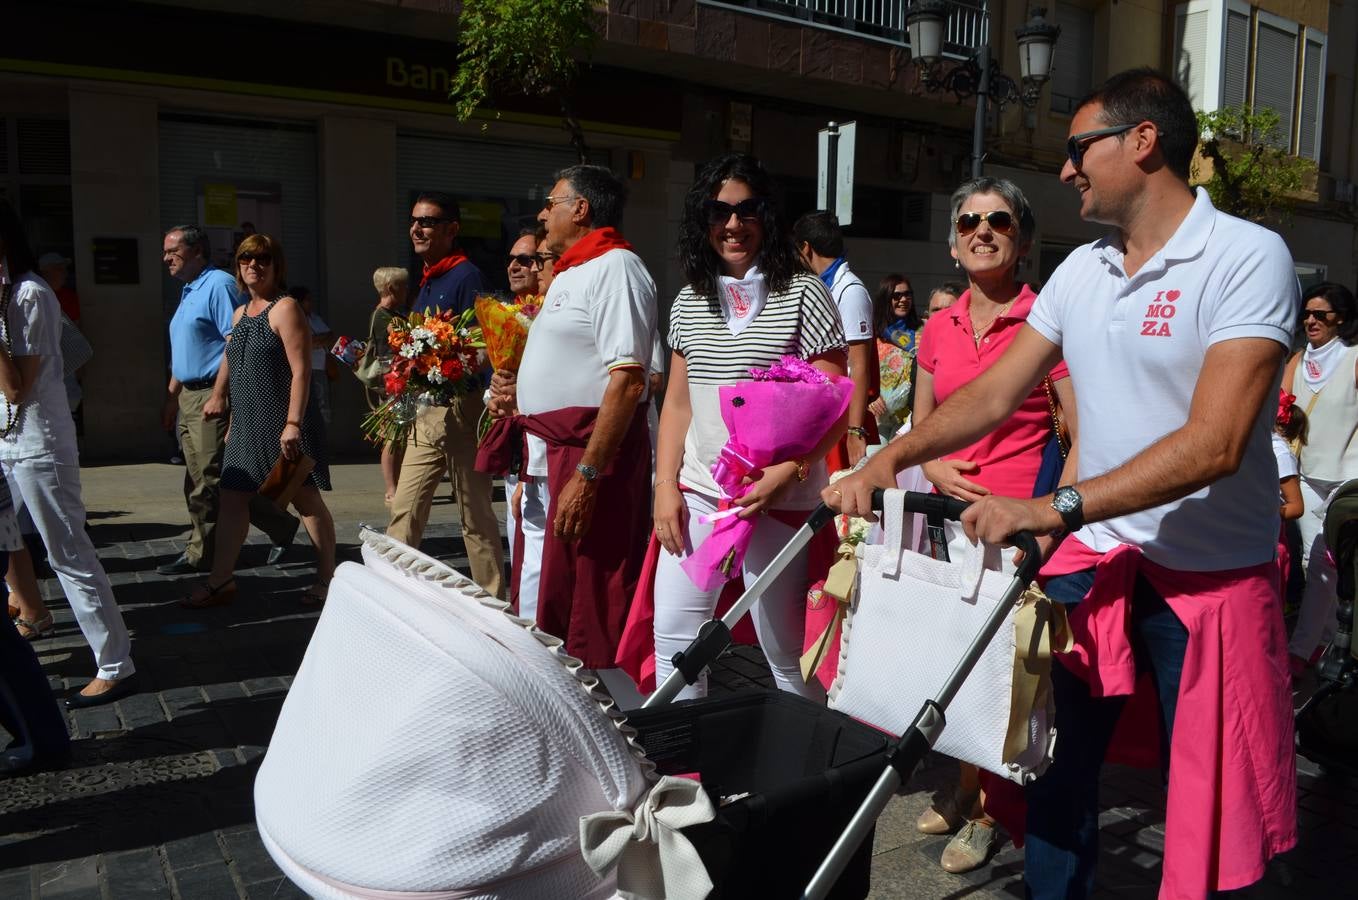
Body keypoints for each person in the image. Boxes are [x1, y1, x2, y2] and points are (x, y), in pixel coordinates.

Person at [826, 69, 1298, 898]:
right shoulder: (1084, 268)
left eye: (1081, 148)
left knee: (1222, 815)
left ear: (1142, 141)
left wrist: (1053, 507)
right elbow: (994, 392)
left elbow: (1217, 443)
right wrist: (886, 458)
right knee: (1055, 777)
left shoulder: (1247, 257)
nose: (1068, 169)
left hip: (1213, 585)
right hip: (1103, 569)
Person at [909, 177, 1078, 875]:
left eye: (999, 221)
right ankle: (964, 782)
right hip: (950, 523)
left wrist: (1051, 525)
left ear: (1024, 240)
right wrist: (939, 467)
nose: (983, 230)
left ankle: (989, 813)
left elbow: (1079, 431)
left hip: (1016, 533)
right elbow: (922, 425)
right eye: (970, 221)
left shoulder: (1047, 322)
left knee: (1007, 678)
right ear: (953, 244)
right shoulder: (938, 327)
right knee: (952, 658)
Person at [652, 153, 848, 700]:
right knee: (675, 639)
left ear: (767, 216)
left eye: (747, 210)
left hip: (779, 499)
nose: (733, 225)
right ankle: (683, 778)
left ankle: (810, 778)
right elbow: (677, 406)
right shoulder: (690, 300)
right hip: (698, 496)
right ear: (703, 221)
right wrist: (663, 486)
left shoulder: (806, 293)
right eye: (719, 212)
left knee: (785, 652)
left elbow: (835, 402)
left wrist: (788, 471)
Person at [485, 165, 657, 667]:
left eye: (551, 202)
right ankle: (539, 681)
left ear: (580, 209)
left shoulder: (616, 269)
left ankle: (592, 702)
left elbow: (626, 380)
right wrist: (518, 395)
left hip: (582, 459)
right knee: (541, 582)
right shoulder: (572, 270)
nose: (542, 213)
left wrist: (587, 474)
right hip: (543, 457)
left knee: (587, 593)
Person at [0, 198, 137, 708]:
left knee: (67, 553)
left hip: (39, 445)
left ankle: (115, 663)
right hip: (7, 443)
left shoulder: (30, 295)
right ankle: (31, 614)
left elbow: (17, 388)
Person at [179, 234, 335, 609]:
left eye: (262, 258)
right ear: (238, 266)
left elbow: (301, 372)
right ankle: (221, 581)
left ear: (276, 265)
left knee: (305, 500)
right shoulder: (240, 314)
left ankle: (328, 579)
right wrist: (227, 408)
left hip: (283, 421)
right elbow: (236, 365)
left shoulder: (286, 308)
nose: (254, 265)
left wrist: (293, 423)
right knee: (232, 500)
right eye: (246, 258)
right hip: (247, 423)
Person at [159, 225, 299, 576]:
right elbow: (186, 349)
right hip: (190, 396)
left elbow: (234, 342)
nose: (166, 259)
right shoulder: (189, 290)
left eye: (172, 251)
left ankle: (202, 554)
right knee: (199, 479)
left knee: (210, 479)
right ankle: (279, 525)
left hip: (210, 393)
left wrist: (221, 393)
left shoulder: (218, 285)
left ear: (196, 251)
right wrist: (172, 397)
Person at [387, 192, 504, 598]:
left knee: (475, 516)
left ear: (452, 230)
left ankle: (492, 600)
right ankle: (393, 591)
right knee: (405, 508)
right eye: (414, 220)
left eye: (428, 221)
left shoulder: (466, 276)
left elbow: (483, 342)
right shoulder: (428, 277)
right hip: (426, 412)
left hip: (462, 410)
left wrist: (445, 363)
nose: (417, 228)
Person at [1282, 281, 1358, 674]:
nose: (1310, 320)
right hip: (1306, 475)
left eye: (1320, 315)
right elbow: (1280, 410)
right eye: (1306, 314)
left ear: (1340, 319)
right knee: (1318, 563)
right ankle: (1314, 644)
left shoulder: (1354, 357)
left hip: (1349, 478)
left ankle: (1314, 645)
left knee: (1331, 565)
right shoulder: (1298, 360)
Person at [794, 212, 875, 467]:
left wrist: (854, 431)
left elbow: (859, 365)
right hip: (826, 416)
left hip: (844, 421)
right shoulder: (822, 287)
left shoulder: (850, 291)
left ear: (805, 248)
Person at [365, 266, 409, 504]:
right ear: (392, 288)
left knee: (398, 435)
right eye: (403, 285)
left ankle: (398, 484)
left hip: (398, 381)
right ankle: (392, 488)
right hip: (392, 383)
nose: (406, 290)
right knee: (392, 436)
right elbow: (397, 346)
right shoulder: (385, 317)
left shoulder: (389, 315)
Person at [867, 274, 921, 440]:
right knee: (872, 462)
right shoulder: (872, 333)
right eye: (897, 296)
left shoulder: (923, 330)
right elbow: (856, 369)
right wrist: (870, 399)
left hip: (910, 417)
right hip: (877, 416)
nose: (904, 299)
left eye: (907, 294)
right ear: (885, 299)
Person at [293, 285, 335, 426]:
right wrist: (315, 341)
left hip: (320, 368)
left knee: (322, 406)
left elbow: (330, 337)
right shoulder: (293, 319)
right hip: (305, 370)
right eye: (307, 300)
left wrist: (314, 340)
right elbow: (301, 343)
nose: (310, 303)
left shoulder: (314, 318)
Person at [37, 252, 79, 323]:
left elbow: (75, 325)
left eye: (65, 269)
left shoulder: (69, 296)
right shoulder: (35, 295)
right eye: (60, 269)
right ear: (45, 272)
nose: (65, 273)